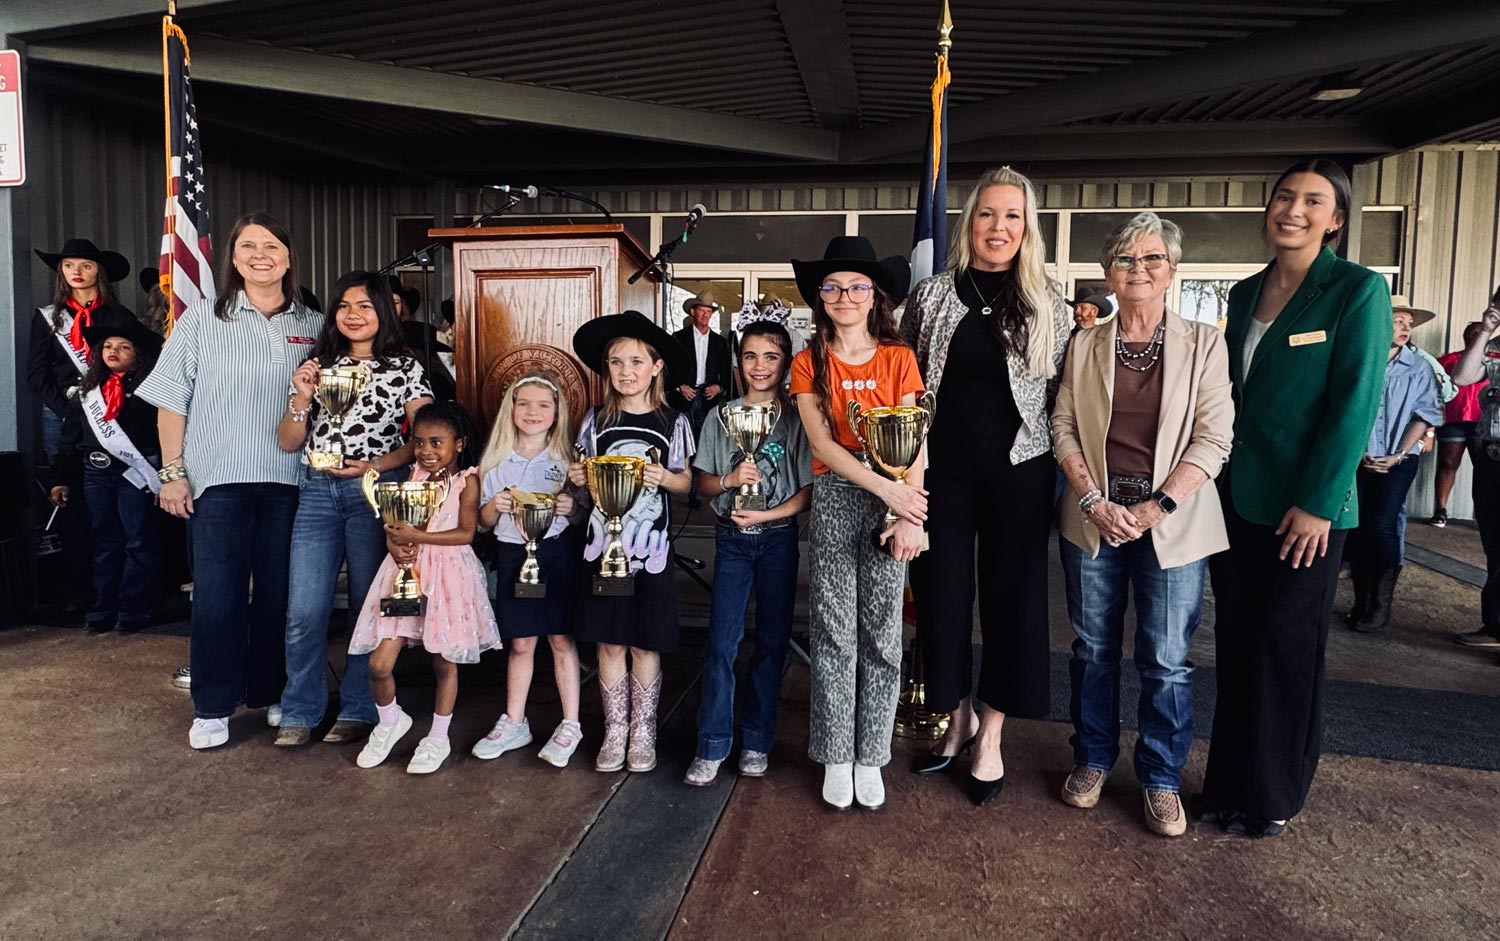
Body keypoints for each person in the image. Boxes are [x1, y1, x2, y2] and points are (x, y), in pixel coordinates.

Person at [1199, 159, 1392, 838]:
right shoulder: (1246, 292)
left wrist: (1318, 500)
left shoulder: (1356, 291)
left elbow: (1354, 404)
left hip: (1307, 509)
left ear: (1336, 218)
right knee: (1237, 639)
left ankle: (1273, 792)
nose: (1295, 209)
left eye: (1314, 201)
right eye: (1285, 196)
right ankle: (1226, 782)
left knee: (1286, 642)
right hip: (1239, 500)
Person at [1051, 212, 1234, 836]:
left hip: (1173, 524)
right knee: (1093, 650)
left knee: (1166, 658)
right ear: (1108, 273)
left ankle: (1159, 777)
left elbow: (1215, 439)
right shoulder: (1084, 343)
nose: (1139, 270)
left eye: (1153, 259)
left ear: (1172, 272)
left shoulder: (1206, 343)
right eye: (1127, 260)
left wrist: (1158, 506)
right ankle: (1093, 758)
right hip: (1095, 518)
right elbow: (1063, 426)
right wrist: (1094, 500)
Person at [900, 166, 1072, 806]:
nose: (998, 228)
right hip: (939, 469)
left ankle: (993, 734)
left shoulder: (1049, 304)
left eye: (1012, 216)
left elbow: (1061, 398)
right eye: (986, 214)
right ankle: (956, 717)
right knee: (942, 594)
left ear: (1028, 228)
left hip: (1019, 468)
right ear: (968, 221)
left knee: (1013, 597)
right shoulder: (932, 297)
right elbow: (909, 384)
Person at [137, 212, 325, 750]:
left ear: (289, 258)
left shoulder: (314, 326)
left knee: (278, 594)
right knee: (217, 596)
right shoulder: (200, 320)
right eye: (249, 246)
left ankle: (268, 693)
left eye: (272, 245)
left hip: (292, 481)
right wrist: (172, 473)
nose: (260, 254)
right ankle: (214, 705)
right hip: (216, 481)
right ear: (233, 258)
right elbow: (171, 403)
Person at [272, 271, 433, 748]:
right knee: (304, 609)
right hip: (317, 492)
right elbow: (287, 441)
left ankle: (362, 707)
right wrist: (301, 398)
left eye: (364, 306)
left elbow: (423, 440)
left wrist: (377, 465)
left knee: (370, 606)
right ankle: (301, 707)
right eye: (344, 306)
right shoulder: (317, 364)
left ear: (386, 310)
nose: (353, 315)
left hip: (377, 495)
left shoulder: (407, 367)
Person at [789, 235, 923, 811]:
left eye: (857, 286)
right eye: (834, 287)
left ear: (875, 296)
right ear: (821, 297)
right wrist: (884, 488)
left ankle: (872, 754)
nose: (845, 295)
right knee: (835, 631)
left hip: (896, 498)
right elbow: (822, 442)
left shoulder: (899, 357)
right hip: (840, 493)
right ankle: (836, 754)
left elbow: (916, 441)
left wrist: (908, 510)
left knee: (883, 633)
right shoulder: (807, 361)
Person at [684, 319, 813, 787]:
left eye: (771, 356)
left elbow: (808, 490)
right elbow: (702, 483)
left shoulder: (798, 417)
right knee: (721, 642)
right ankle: (712, 743)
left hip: (777, 538)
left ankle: (757, 738)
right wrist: (731, 481)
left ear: (786, 363)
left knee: (773, 643)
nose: (760, 366)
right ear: (738, 362)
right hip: (731, 540)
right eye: (751, 356)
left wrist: (766, 514)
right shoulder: (721, 415)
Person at [567, 311, 695, 774]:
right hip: (603, 549)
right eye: (616, 362)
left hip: (652, 551)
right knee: (609, 642)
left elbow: (687, 486)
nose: (625, 371)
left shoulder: (672, 421)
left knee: (644, 642)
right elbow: (580, 484)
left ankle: (643, 731)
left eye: (636, 362)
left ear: (656, 367)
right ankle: (614, 728)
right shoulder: (596, 421)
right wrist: (576, 476)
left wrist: (667, 477)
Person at [349, 401, 499, 774]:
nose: (426, 452)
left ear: (459, 444)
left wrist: (419, 534)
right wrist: (394, 544)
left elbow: (466, 532)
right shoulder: (414, 473)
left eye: (436, 443)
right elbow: (395, 526)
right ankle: (390, 722)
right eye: (419, 443)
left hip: (449, 574)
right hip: (405, 573)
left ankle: (438, 736)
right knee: (379, 663)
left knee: (443, 660)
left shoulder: (468, 480)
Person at [473, 372, 586, 768]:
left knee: (560, 638)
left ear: (557, 412)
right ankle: (515, 720)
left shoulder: (568, 459)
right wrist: (495, 507)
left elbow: (583, 516)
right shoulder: (495, 460)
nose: (533, 412)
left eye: (543, 405)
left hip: (555, 554)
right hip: (512, 554)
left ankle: (571, 722)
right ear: (511, 409)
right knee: (521, 642)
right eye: (524, 404)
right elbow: (482, 521)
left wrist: (572, 510)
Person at [48, 317, 167, 634]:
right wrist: (59, 477)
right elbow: (69, 436)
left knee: (139, 540)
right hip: (95, 472)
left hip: (136, 473)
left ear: (138, 355)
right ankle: (102, 606)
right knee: (104, 539)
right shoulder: (87, 392)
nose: (114, 351)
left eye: (124, 346)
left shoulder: (149, 392)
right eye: (108, 346)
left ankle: (135, 608)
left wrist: (164, 475)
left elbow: (161, 435)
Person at [1343, 300, 1443, 633]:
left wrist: (1399, 454)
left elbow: (1425, 412)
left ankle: (1379, 607)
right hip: (1360, 458)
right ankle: (1361, 601)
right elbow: (1344, 407)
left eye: (1409, 323)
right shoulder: (1360, 361)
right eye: (1397, 320)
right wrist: (1358, 452)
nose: (1405, 328)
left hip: (1399, 460)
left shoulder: (1419, 366)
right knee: (1357, 527)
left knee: (1382, 525)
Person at [27, 238, 136, 456]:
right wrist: (67, 411)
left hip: (107, 413)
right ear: (61, 271)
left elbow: (135, 367)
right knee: (64, 484)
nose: (76, 271)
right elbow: (37, 374)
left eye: (86, 266)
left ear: (99, 272)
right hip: (60, 412)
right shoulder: (46, 317)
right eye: (68, 265)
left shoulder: (120, 316)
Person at [1443, 284, 1500, 648]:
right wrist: (1486, 329)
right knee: (1493, 544)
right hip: (1491, 457)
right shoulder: (1493, 346)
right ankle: (1493, 626)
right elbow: (1462, 377)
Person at [1432, 321, 1489, 528]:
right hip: (1453, 420)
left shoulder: (1490, 363)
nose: (1476, 335)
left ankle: (1483, 514)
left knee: (1483, 468)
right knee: (1447, 464)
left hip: (1481, 422)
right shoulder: (1448, 361)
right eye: (1472, 332)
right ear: (1465, 337)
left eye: (1479, 332)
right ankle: (1440, 509)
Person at [669, 292, 733, 450]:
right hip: (684, 397)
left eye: (708, 311)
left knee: (707, 440)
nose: (705, 315)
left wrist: (719, 387)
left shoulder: (720, 342)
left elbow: (727, 372)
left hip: (708, 398)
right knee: (682, 439)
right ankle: (684, 472)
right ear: (693, 312)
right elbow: (669, 368)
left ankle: (703, 474)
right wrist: (680, 386)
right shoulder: (678, 338)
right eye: (702, 311)